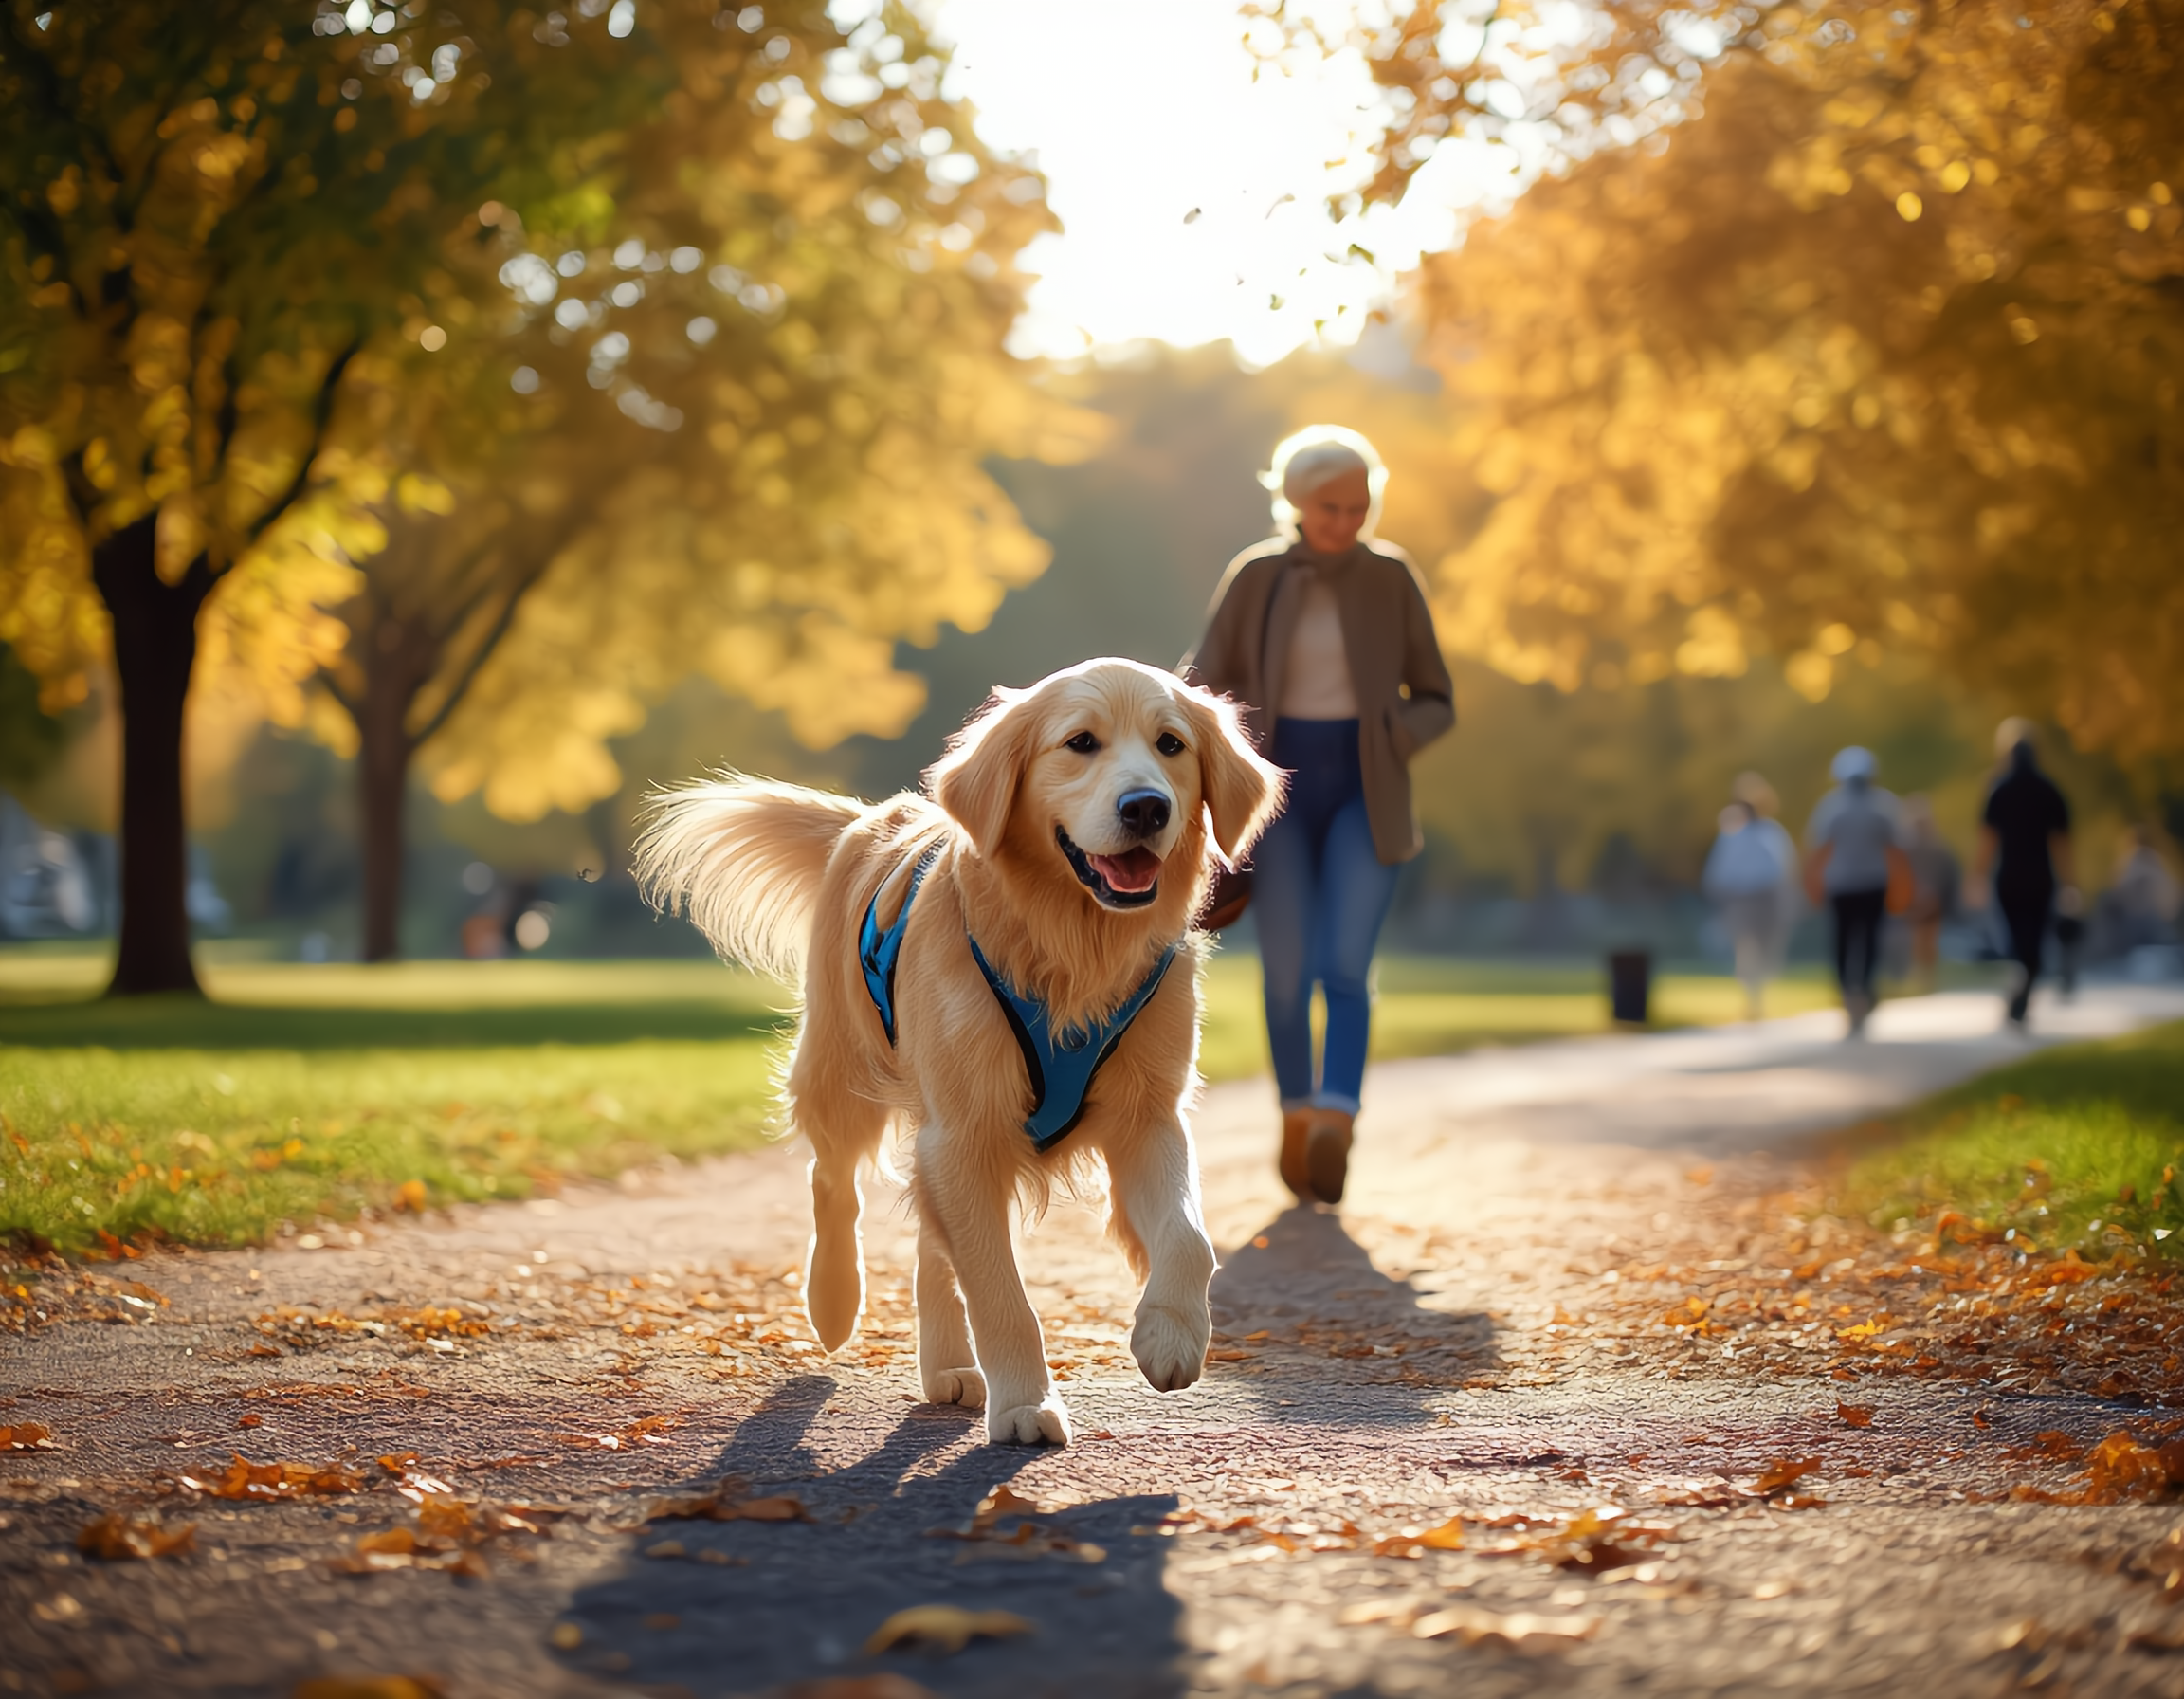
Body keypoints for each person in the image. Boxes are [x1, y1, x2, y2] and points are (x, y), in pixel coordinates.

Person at [1184, 426, 1455, 1206]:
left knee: (1344, 965)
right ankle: (1297, 1115)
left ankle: (1338, 1115)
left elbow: (1436, 695)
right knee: (1284, 974)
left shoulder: (1393, 578)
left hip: (1365, 788)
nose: (1346, 521)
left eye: (1359, 506)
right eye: (1330, 507)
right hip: (1276, 794)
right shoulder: (1257, 577)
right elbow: (1201, 685)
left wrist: (1396, 738)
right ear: (1298, 505)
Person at [1970, 719, 2077, 1030]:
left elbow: (1987, 842)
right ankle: (2023, 988)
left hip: (2009, 878)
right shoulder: (2049, 790)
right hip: (2041, 878)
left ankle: (2020, 989)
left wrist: (1977, 877)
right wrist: (2070, 883)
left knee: (2020, 942)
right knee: (2033, 942)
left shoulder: (1998, 790)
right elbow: (2062, 843)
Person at [1804, 746, 1905, 1036]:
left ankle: (1850, 992)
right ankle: (1862, 989)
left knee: (1844, 942)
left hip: (1844, 886)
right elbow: (1897, 851)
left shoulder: (1831, 807)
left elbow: (1817, 853)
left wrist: (1812, 883)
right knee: (1868, 940)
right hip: (1871, 884)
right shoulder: (1883, 805)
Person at [1702, 797, 1791, 1019]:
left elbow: (1783, 865)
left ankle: (1759, 991)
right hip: (1741, 897)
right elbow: (1719, 868)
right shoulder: (1731, 834)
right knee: (1745, 948)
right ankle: (1753, 998)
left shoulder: (1770, 832)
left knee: (1765, 947)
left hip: (1764, 895)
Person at [1898, 795, 1961, 994]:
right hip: (1916, 900)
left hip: (1931, 901)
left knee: (1926, 939)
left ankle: (1926, 978)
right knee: (1920, 939)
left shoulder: (1937, 850)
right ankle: (1922, 977)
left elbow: (1947, 876)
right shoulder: (1908, 849)